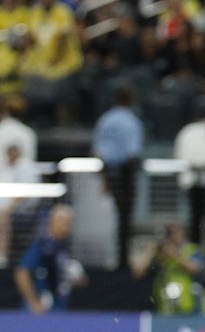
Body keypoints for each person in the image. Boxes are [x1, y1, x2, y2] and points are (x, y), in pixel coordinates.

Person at [92, 87, 143, 270]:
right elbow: (132, 153)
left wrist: (104, 178)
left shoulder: (105, 120)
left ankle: (113, 258)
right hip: (124, 173)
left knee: (109, 218)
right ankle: (122, 261)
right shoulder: (131, 121)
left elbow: (97, 150)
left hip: (106, 172)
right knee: (124, 219)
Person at [14, 204, 87, 314]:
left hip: (58, 309)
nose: (67, 227)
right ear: (52, 222)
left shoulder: (62, 248)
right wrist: (34, 302)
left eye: (69, 223)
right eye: (63, 223)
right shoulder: (42, 247)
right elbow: (21, 274)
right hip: (41, 311)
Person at [132, 221, 204, 315]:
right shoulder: (160, 252)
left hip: (189, 304)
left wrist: (174, 255)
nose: (172, 237)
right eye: (169, 233)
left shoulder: (190, 249)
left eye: (174, 232)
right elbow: (137, 272)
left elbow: (195, 268)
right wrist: (149, 252)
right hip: (163, 305)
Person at [173, 101, 205, 245]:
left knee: (194, 219)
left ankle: (195, 250)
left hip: (192, 181)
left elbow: (179, 155)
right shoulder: (188, 132)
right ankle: (195, 254)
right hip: (193, 181)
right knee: (194, 220)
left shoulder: (187, 131)